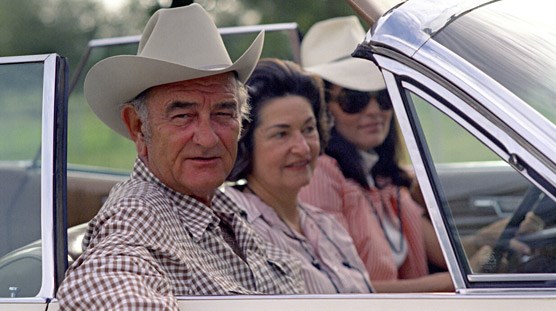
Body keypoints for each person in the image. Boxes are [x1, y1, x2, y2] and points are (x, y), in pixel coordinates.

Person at [56, 5, 306, 310]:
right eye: (183, 115)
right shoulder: (138, 212)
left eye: (223, 113)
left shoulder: (224, 206)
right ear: (138, 127)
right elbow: (96, 286)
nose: (207, 138)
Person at [298, 16, 453, 292]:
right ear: (323, 108)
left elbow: (450, 258)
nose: (373, 111)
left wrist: (499, 243)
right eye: (354, 99)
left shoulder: (382, 178)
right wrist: (443, 286)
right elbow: (341, 289)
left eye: (382, 96)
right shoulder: (321, 174)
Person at [225, 58, 374, 294]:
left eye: (308, 129)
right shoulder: (234, 227)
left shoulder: (326, 225)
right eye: (281, 134)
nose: (303, 148)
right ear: (245, 144)